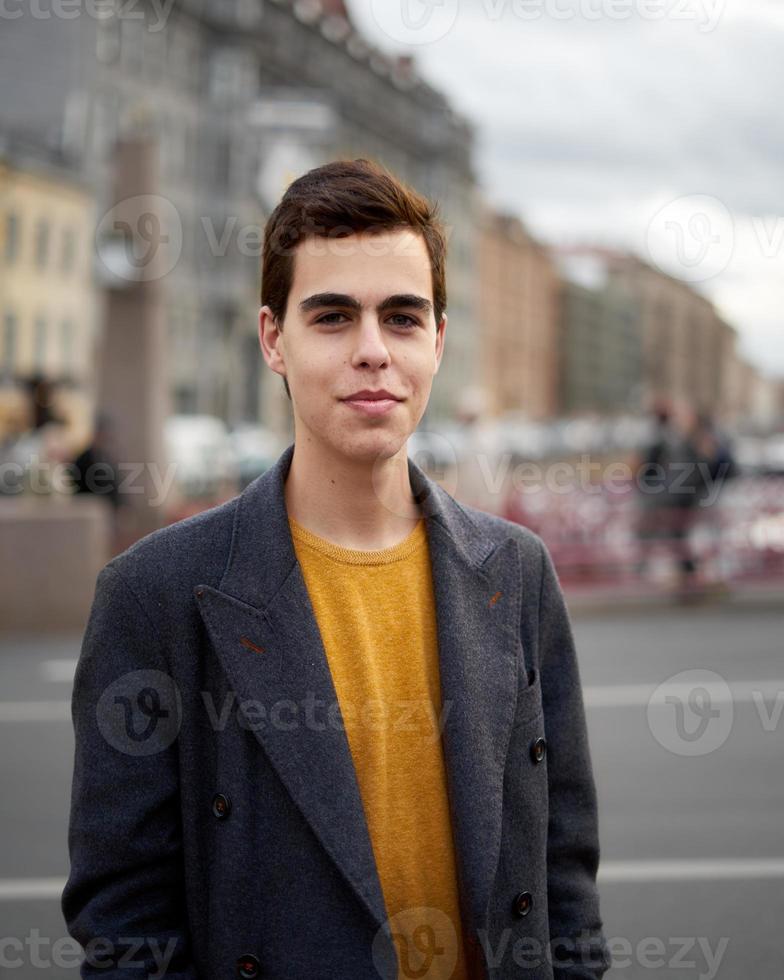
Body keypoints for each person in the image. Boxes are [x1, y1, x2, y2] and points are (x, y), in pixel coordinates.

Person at [62, 159, 610, 979]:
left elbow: (562, 876)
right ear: (273, 340)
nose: (371, 352)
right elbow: (125, 922)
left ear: (438, 341)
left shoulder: (516, 573)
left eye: (401, 317)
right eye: (331, 317)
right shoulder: (157, 592)